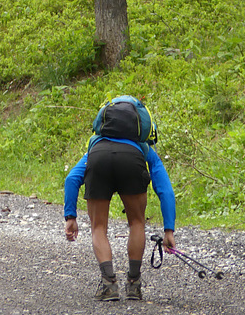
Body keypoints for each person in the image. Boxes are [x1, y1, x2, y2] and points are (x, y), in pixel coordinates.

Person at [64, 99, 176, 302]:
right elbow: (165, 189)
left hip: (99, 160)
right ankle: (134, 284)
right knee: (137, 223)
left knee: (98, 227)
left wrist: (70, 216)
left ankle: (109, 284)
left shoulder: (94, 145)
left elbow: (72, 178)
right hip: (132, 161)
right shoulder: (144, 148)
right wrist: (168, 230)